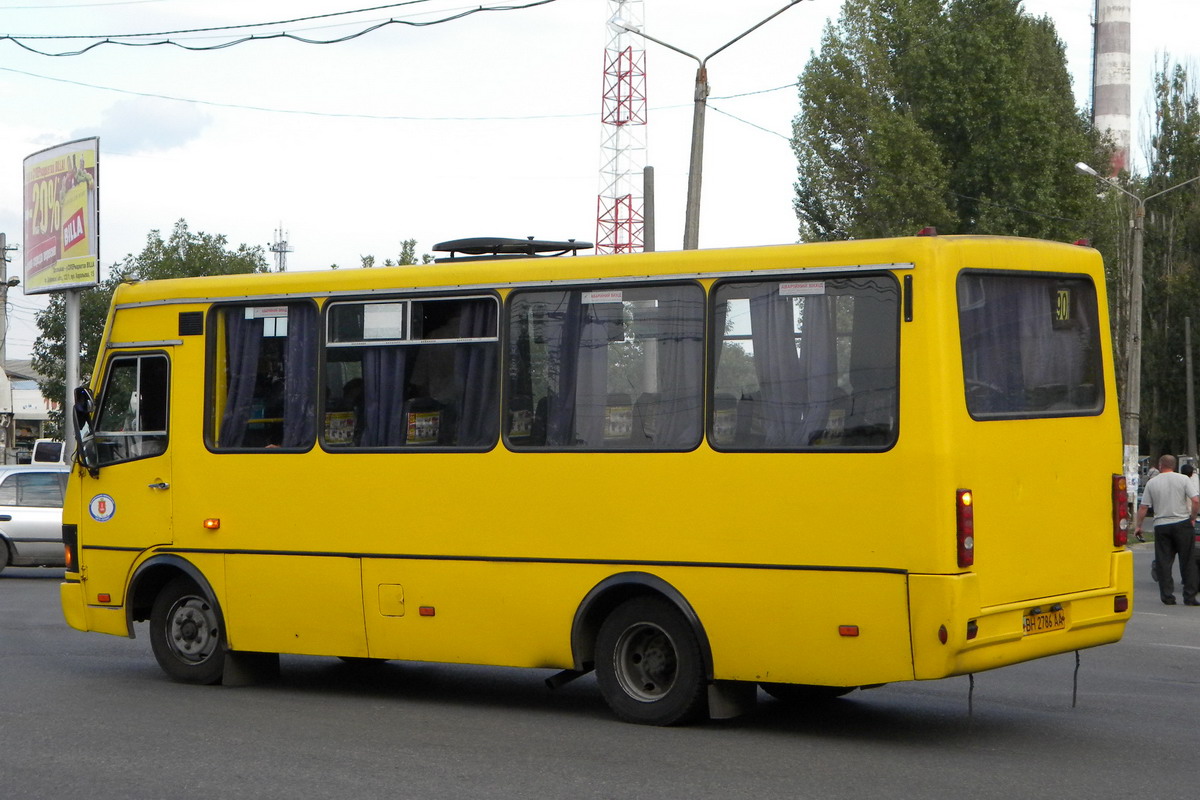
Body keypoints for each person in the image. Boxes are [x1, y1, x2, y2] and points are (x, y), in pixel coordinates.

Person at [1136, 454, 1200, 605]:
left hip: (1162, 525)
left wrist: (1139, 526)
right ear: (1174, 465)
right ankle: (1189, 596)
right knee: (1188, 560)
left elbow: (1144, 507)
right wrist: (1192, 517)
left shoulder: (1152, 482)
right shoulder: (1183, 479)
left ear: (1160, 465)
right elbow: (1195, 500)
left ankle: (1167, 596)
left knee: (1164, 561)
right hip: (1182, 523)